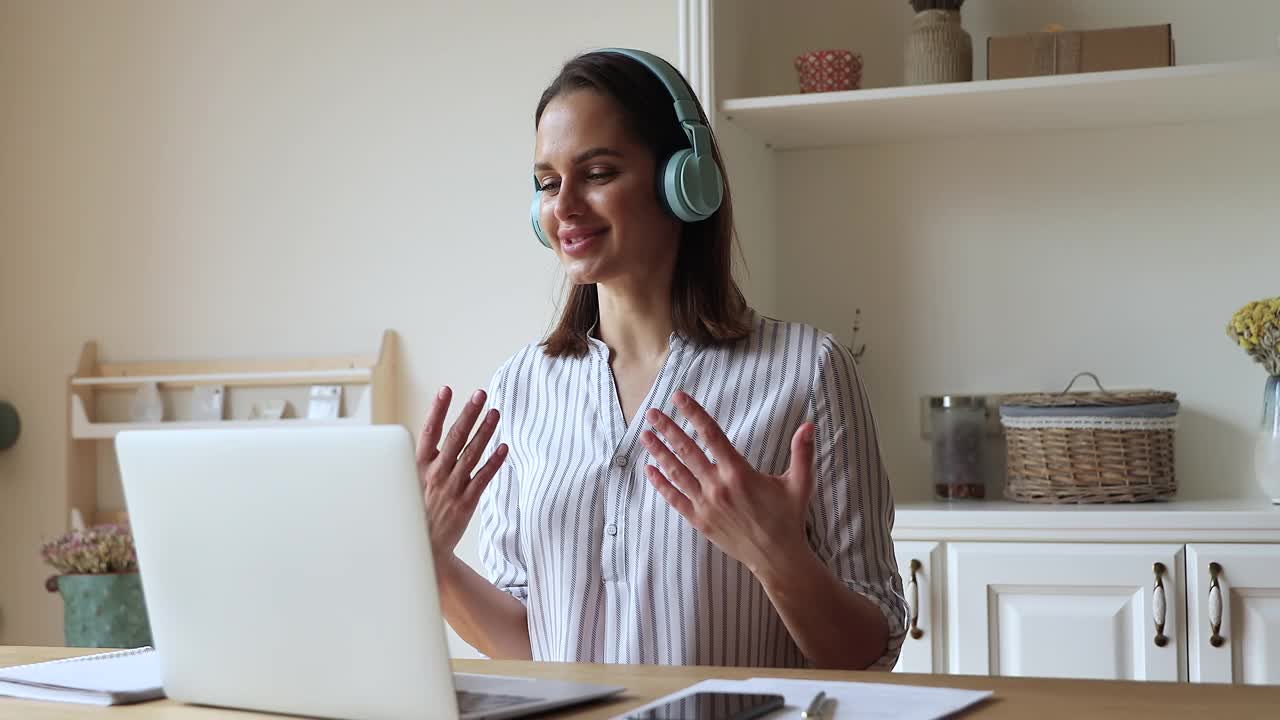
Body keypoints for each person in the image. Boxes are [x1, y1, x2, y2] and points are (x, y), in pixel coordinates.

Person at [416, 48, 907, 670]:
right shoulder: (522, 384)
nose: (564, 206)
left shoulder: (808, 371)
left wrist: (777, 558)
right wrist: (429, 563)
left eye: (596, 174)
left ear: (685, 180)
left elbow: (868, 654)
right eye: (547, 182)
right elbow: (530, 643)